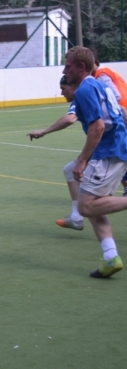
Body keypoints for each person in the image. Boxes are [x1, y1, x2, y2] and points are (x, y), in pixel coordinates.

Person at [62, 46, 127, 278]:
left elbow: (98, 127)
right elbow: (120, 111)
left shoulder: (85, 89)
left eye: (68, 66)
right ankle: (110, 257)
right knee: (96, 204)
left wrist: (82, 160)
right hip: (116, 149)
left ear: (81, 67)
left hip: (108, 152)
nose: (64, 70)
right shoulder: (99, 85)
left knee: (85, 207)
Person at [27, 76, 83, 230]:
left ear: (74, 87)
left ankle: (78, 217)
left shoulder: (81, 96)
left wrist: (44, 131)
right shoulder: (90, 92)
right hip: (105, 145)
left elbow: (70, 119)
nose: (61, 93)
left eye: (64, 89)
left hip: (108, 147)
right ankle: (77, 217)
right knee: (71, 171)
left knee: (93, 203)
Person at [90, 48, 127, 195]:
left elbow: (115, 96)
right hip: (122, 114)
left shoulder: (101, 75)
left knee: (117, 152)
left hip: (122, 116)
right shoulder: (105, 72)